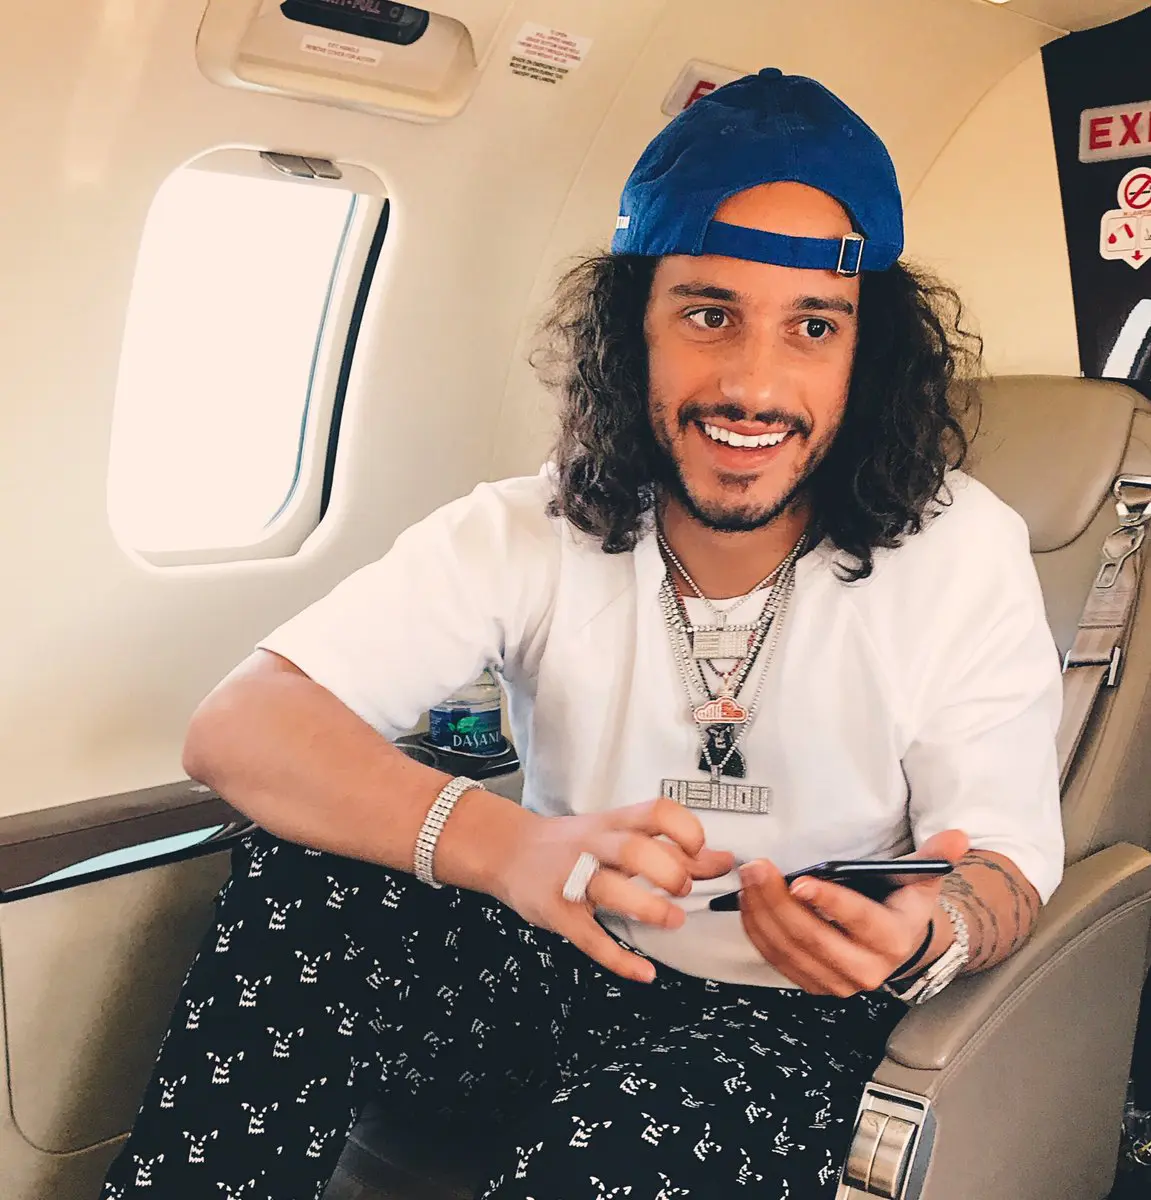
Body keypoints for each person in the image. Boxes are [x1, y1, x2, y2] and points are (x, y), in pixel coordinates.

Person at [102, 67, 1063, 1200]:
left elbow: (1000, 866)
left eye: (813, 326)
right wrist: (509, 847)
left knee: (617, 1149)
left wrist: (927, 928)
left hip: (781, 1019)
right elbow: (238, 726)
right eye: (707, 314)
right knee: (303, 864)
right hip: (551, 959)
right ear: (630, 329)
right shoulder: (531, 527)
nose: (752, 386)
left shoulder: (958, 549)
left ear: (868, 356)